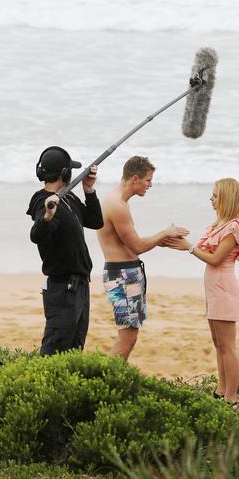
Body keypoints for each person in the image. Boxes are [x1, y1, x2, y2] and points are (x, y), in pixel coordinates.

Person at [165, 178, 239, 406]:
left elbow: (215, 259)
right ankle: (221, 389)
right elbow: (203, 251)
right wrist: (181, 242)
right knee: (218, 343)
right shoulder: (217, 225)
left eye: (215, 195)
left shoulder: (234, 227)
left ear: (225, 198)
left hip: (224, 289)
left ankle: (231, 396)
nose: (211, 199)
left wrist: (189, 247)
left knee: (228, 346)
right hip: (215, 290)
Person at [97, 155, 188, 361]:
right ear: (135, 178)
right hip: (123, 276)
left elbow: (130, 244)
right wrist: (165, 233)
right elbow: (137, 246)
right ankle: (108, 379)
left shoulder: (116, 201)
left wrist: (159, 240)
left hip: (125, 273)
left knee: (131, 335)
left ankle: (113, 378)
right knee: (127, 338)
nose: (150, 185)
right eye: (148, 180)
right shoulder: (116, 205)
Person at [26, 146, 103, 356]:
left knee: (74, 350)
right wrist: (48, 215)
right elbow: (37, 235)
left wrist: (89, 190)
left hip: (80, 285)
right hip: (63, 289)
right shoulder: (42, 201)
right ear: (64, 173)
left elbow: (96, 221)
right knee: (54, 350)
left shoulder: (68, 198)